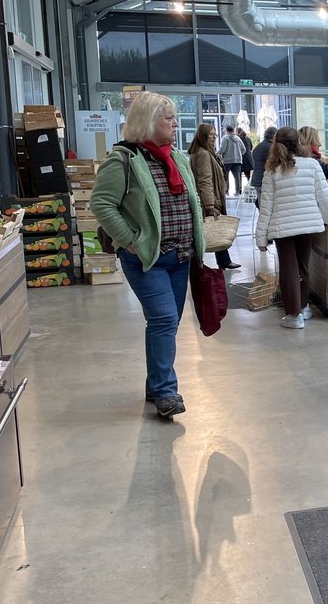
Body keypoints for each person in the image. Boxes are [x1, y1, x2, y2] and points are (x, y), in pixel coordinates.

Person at [92, 91, 205, 419]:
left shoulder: (177, 157)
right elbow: (101, 203)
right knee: (164, 319)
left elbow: (191, 201)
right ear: (146, 121)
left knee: (166, 324)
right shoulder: (123, 159)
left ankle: (155, 384)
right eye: (167, 117)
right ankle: (166, 391)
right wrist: (129, 240)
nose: (174, 122)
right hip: (147, 258)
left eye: (173, 116)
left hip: (180, 257)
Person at [254, 127, 328, 329]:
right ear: (299, 143)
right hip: (309, 226)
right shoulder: (312, 165)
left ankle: (293, 315)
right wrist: (327, 219)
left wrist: (261, 237)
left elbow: (266, 207)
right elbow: (324, 197)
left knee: (289, 269)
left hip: (283, 228)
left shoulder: (272, 171)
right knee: (303, 266)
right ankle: (304, 307)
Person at [187, 124, 240, 270]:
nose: (214, 138)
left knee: (215, 229)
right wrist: (210, 204)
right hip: (210, 198)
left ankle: (223, 260)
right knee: (207, 230)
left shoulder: (206, 152)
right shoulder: (203, 153)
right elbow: (205, 180)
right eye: (211, 135)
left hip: (212, 196)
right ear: (203, 136)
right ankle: (199, 264)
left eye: (215, 135)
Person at [217, 125, 246, 195]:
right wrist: (239, 154)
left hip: (227, 160)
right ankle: (237, 191)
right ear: (233, 130)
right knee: (237, 176)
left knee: (226, 176)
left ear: (226, 130)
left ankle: (226, 191)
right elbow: (244, 149)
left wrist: (216, 153)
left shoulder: (225, 138)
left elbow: (222, 149)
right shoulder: (238, 138)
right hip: (238, 160)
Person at [249, 126, 277, 194]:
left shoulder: (258, 147)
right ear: (274, 136)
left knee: (260, 202)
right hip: (264, 180)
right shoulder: (270, 148)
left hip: (256, 179)